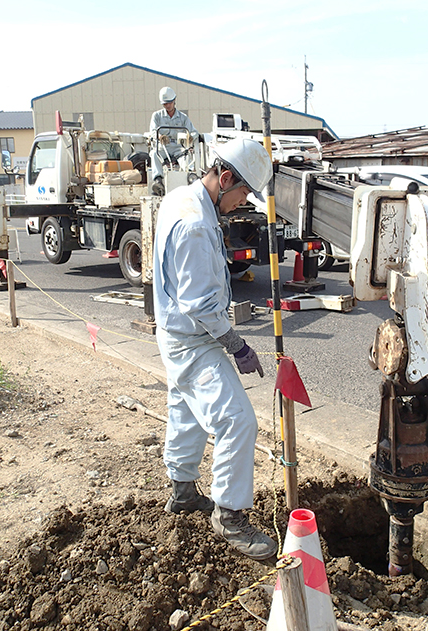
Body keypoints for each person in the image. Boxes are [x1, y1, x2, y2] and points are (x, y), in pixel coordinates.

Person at [153, 138, 275, 560]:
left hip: (176, 333)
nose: (243, 202)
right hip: (192, 340)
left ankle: (183, 491)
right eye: (243, 193)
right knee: (237, 420)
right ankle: (231, 516)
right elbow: (200, 303)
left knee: (185, 410)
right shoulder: (195, 224)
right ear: (225, 179)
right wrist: (237, 346)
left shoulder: (180, 198)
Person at [148, 86, 198, 196]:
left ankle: (188, 178)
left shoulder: (183, 117)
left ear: (174, 100)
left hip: (178, 147)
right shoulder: (156, 116)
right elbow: (152, 132)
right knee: (154, 154)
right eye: (165, 104)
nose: (168, 106)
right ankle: (158, 181)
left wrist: (190, 136)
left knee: (186, 157)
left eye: (170, 103)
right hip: (163, 147)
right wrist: (159, 136)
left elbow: (194, 132)